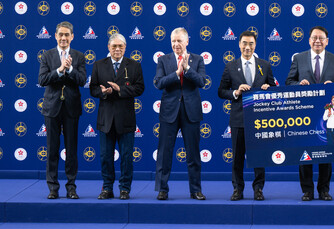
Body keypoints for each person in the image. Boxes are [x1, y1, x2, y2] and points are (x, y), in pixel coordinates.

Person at [286, 26, 334, 201]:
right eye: (314, 38)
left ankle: (324, 189)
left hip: (328, 117)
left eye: (321, 38)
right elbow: (289, 81)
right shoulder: (299, 58)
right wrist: (298, 85)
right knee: (305, 153)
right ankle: (307, 190)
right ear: (309, 40)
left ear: (327, 41)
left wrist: (332, 86)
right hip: (305, 114)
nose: (318, 41)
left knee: (327, 153)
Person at [218, 30, 275, 201]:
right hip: (238, 119)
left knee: (259, 156)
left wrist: (268, 89)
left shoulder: (264, 65)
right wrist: (235, 92)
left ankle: (258, 189)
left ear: (255, 45)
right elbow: (221, 91)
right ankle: (238, 189)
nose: (247, 47)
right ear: (239, 44)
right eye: (244, 43)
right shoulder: (230, 66)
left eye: (251, 43)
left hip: (259, 119)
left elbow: (273, 87)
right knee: (237, 157)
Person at [154, 28, 207, 200]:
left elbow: (202, 81)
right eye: (173, 41)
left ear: (187, 42)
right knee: (164, 153)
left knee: (193, 154)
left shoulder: (198, 59)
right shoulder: (163, 60)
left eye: (179, 41)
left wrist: (187, 68)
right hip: (169, 111)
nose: (176, 44)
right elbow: (159, 83)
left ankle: (195, 190)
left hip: (191, 112)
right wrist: (177, 74)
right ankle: (162, 189)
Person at [90, 33, 145, 200]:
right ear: (108, 47)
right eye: (114, 46)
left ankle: (124, 189)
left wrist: (120, 89)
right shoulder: (99, 65)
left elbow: (140, 88)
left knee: (127, 157)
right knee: (105, 156)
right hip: (105, 119)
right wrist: (103, 92)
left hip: (126, 119)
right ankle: (107, 188)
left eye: (120, 46)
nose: (117, 49)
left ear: (125, 47)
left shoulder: (134, 65)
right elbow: (92, 89)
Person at [38, 21, 86, 199]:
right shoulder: (47, 55)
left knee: (71, 149)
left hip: (71, 109)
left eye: (67, 35)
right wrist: (59, 70)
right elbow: (42, 79)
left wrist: (70, 69)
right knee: (52, 149)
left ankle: (71, 187)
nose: (64, 38)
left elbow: (82, 80)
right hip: (52, 109)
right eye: (61, 35)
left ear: (72, 36)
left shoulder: (79, 56)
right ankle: (53, 187)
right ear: (55, 36)